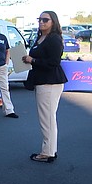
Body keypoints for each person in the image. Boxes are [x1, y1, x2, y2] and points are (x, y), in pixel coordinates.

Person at [21, 11, 68, 163]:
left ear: (53, 22)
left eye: (45, 20)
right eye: (39, 19)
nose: (41, 22)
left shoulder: (54, 39)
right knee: (47, 118)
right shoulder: (41, 37)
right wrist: (27, 59)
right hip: (42, 81)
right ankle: (50, 150)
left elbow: (54, 62)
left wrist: (33, 60)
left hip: (50, 82)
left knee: (47, 119)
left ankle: (47, 152)